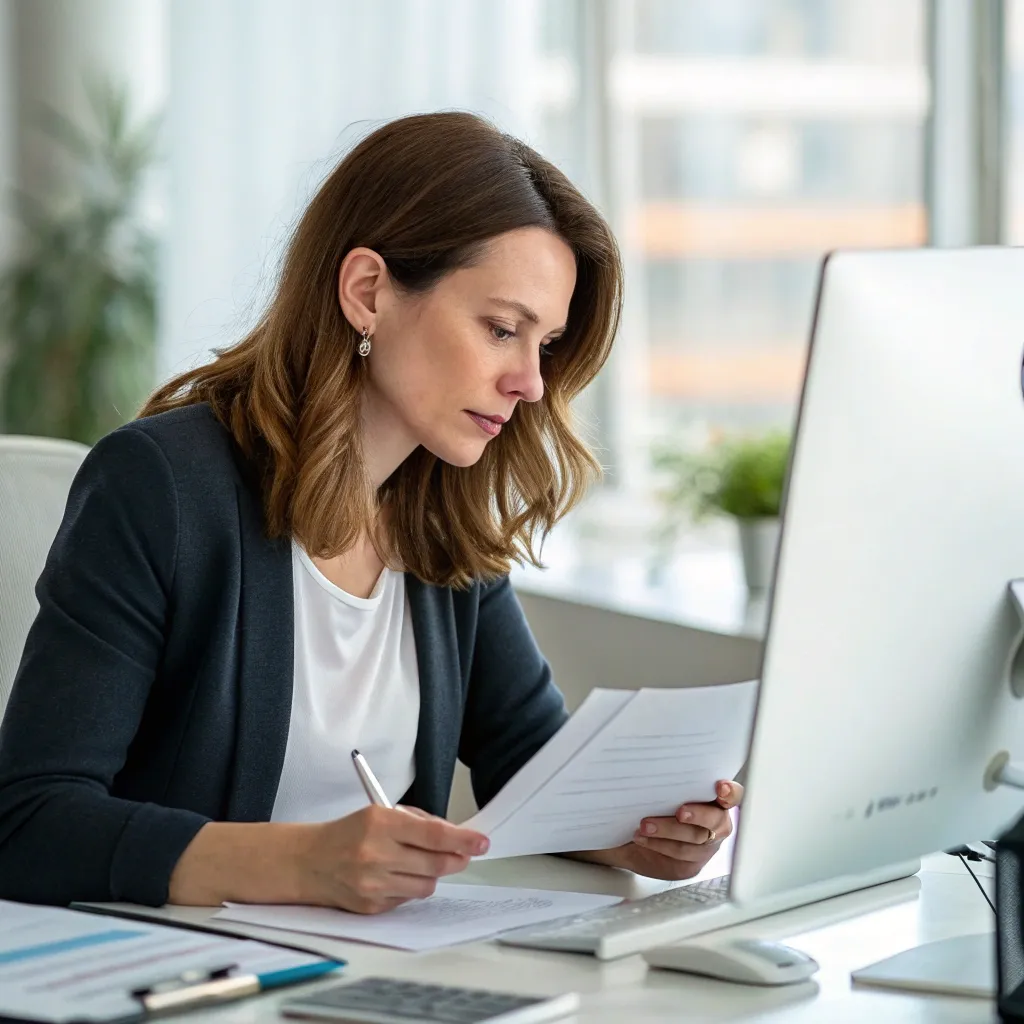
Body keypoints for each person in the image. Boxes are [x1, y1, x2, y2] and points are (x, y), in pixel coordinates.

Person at [0, 112, 742, 913]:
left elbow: (531, 765)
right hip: (188, 978)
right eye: (501, 329)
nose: (529, 381)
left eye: (546, 345)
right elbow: (30, 822)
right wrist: (301, 862)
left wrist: (632, 831)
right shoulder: (161, 486)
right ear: (367, 293)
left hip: (368, 968)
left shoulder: (444, 514)